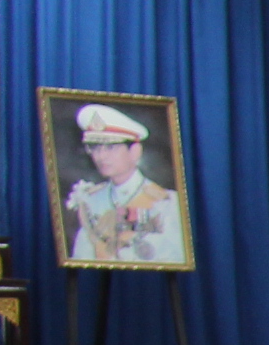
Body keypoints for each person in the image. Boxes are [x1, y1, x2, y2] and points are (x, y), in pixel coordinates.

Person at [62, 101, 186, 265]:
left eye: (111, 147)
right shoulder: (90, 200)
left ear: (135, 151)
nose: (101, 156)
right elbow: (82, 256)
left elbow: (175, 257)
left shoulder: (167, 203)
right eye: (95, 147)